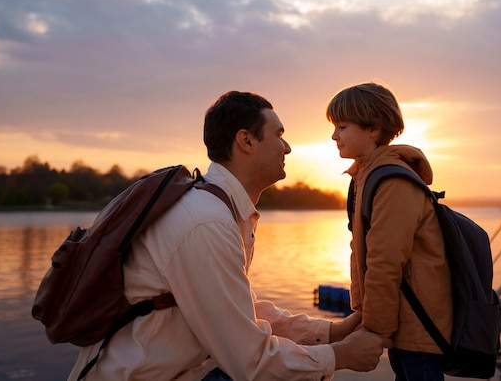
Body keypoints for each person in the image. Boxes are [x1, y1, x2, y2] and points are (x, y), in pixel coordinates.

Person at [68, 90, 392, 381]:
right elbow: (249, 361)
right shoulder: (206, 222)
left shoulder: (216, 208)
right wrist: (339, 356)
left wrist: (331, 332)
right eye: (278, 134)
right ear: (246, 141)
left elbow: (239, 313)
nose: (288, 147)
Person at [326, 82, 453, 381]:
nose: (334, 136)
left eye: (342, 127)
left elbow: (385, 262)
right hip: (402, 320)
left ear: (373, 128)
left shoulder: (392, 183)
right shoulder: (368, 175)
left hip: (417, 323)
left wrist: (374, 331)